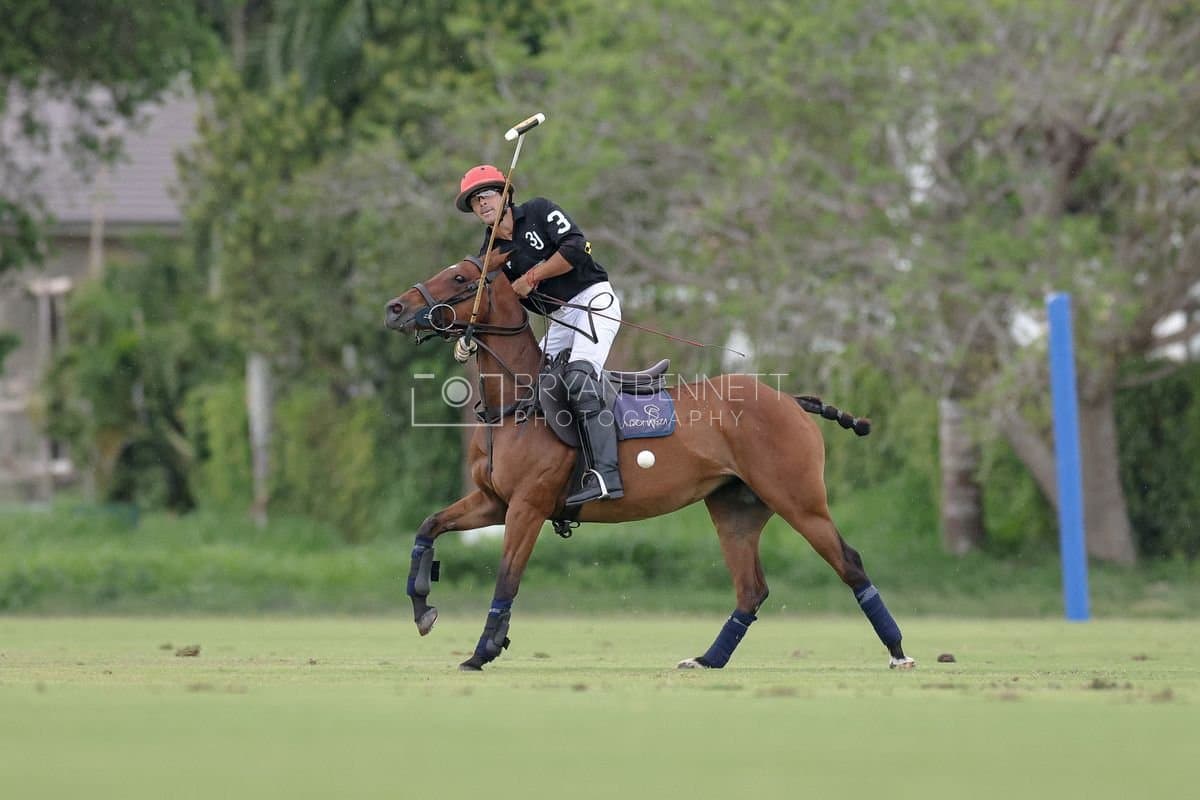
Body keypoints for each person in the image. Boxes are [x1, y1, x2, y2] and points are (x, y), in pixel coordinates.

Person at [456, 164, 623, 504]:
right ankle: (553, 472)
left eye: (487, 195)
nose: (482, 204)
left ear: (506, 194)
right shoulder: (489, 253)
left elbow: (576, 248)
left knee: (578, 380)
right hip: (560, 318)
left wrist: (530, 278)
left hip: (593, 300)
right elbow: (482, 301)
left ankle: (606, 475)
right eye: (475, 201)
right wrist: (466, 335)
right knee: (530, 388)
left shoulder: (539, 211)